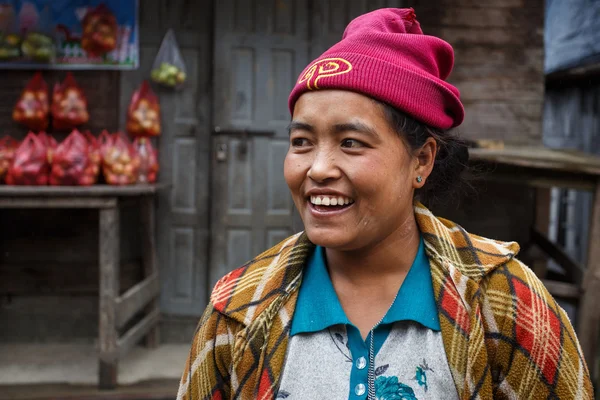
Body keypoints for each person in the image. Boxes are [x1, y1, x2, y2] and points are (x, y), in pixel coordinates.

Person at [177, 8, 593, 400]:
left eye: (351, 143)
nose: (318, 168)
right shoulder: (238, 309)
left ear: (422, 160)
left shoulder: (506, 302)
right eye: (301, 142)